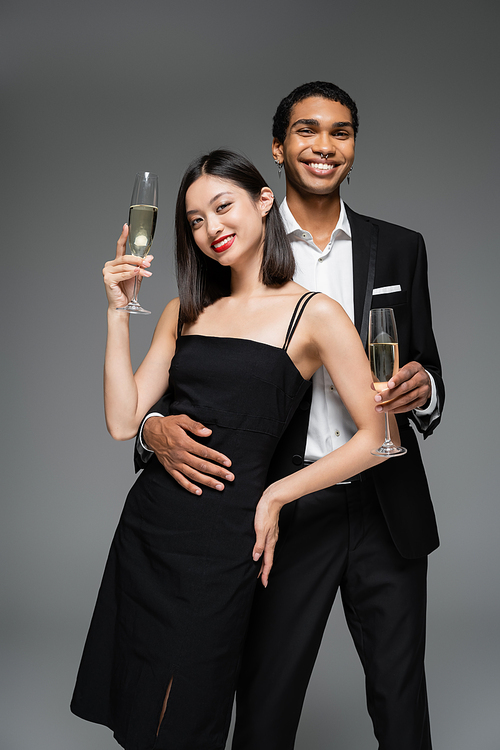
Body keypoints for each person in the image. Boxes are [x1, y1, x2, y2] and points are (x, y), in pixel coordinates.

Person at [135, 83, 444, 750]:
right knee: (267, 704)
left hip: (387, 501)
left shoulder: (400, 249)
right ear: (279, 148)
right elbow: (197, 371)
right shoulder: (238, 243)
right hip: (282, 508)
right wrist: (150, 429)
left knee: (402, 702)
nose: (323, 146)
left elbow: (427, 365)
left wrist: (427, 389)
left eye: (341, 132)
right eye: (307, 130)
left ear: (354, 146)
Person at [71, 149, 388, 750]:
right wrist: (119, 313)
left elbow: (377, 439)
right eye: (195, 220)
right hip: (151, 528)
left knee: (189, 710)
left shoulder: (314, 315)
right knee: (142, 709)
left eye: (223, 207)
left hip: (224, 542)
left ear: (263, 202)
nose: (212, 229)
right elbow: (121, 420)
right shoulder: (182, 310)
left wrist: (274, 496)